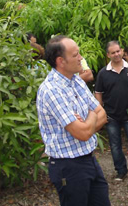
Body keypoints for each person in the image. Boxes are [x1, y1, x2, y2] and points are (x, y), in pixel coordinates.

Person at [36, 35, 110, 206]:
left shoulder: (76, 80)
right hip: (68, 168)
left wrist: (86, 121)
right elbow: (83, 133)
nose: (81, 58)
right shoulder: (51, 90)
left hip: (89, 159)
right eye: (76, 55)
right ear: (61, 61)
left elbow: (102, 114)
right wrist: (91, 116)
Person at [95, 41, 128, 182]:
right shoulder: (103, 73)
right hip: (111, 115)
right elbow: (98, 93)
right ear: (108, 55)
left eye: (118, 51)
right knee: (115, 145)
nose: (116, 54)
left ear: (121, 51)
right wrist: (101, 111)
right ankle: (121, 171)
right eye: (113, 52)